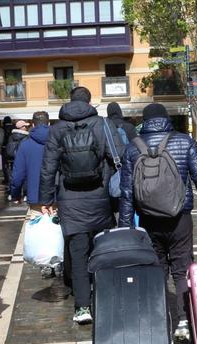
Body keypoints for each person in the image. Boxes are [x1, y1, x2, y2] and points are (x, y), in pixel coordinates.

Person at [118, 103, 197, 340]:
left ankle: (159, 322)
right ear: (166, 119)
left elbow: (127, 193)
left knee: (156, 271)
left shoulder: (133, 147)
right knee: (182, 269)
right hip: (179, 217)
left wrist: (125, 228)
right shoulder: (184, 142)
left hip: (148, 219)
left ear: (145, 121)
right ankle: (184, 320)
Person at [40, 86, 120, 324]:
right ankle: (106, 299)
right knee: (103, 250)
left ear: (70, 101)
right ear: (89, 101)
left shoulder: (57, 129)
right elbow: (119, 157)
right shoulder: (103, 124)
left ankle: (82, 307)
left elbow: (48, 168)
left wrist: (46, 200)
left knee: (78, 255)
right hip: (101, 198)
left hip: (70, 202)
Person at [10, 111, 49, 205]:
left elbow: (18, 175)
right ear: (48, 124)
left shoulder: (25, 145)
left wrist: (15, 195)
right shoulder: (59, 141)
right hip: (57, 196)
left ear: (33, 125)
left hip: (34, 197)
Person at [0, 116, 14, 185]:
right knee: (13, 164)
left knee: (5, 164)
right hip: (13, 148)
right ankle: (13, 178)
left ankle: (6, 179)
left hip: (4, 148)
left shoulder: (2, 128)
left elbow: (0, 140)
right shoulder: (14, 127)